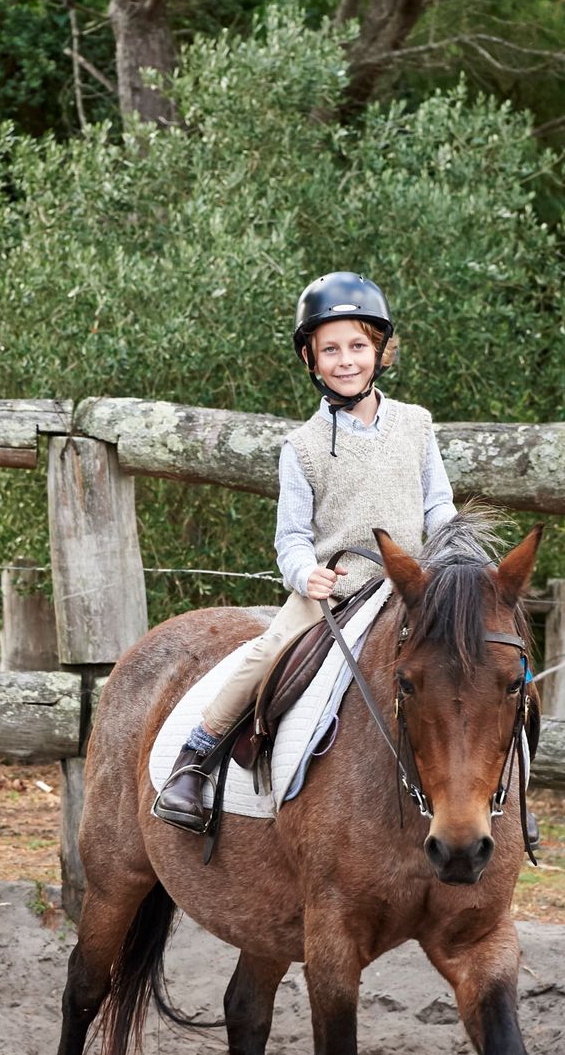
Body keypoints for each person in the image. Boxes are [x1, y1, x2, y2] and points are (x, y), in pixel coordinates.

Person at [153, 271, 458, 833]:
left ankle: (512, 797)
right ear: (311, 360)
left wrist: (458, 559)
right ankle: (195, 757)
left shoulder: (417, 425)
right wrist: (304, 572)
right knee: (269, 650)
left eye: (358, 346)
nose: (346, 360)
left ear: (380, 352)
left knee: (483, 663)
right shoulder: (303, 447)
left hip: (414, 588)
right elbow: (291, 535)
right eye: (331, 349)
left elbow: (438, 506)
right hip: (337, 589)